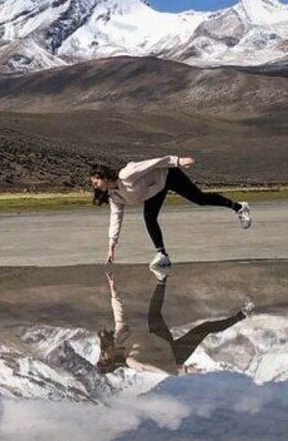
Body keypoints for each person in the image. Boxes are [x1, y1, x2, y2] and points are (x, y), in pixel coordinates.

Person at [90, 155, 252, 280]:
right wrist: (112, 245)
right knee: (149, 217)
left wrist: (178, 161)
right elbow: (116, 217)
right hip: (155, 190)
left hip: (168, 175)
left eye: (95, 181)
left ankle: (239, 208)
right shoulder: (114, 196)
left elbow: (154, 163)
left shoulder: (126, 174)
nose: (95, 186)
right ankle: (162, 255)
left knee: (200, 199)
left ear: (103, 176)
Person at [96, 269, 252, 375]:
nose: (102, 354)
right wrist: (184, 370)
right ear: (111, 360)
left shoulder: (119, 338)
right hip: (174, 355)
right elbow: (159, 369)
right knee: (204, 328)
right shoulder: (133, 361)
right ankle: (243, 315)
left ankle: (162, 278)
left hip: (159, 338)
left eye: (100, 355)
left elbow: (119, 312)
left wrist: (112, 287)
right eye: (104, 358)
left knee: (153, 313)